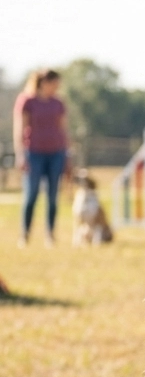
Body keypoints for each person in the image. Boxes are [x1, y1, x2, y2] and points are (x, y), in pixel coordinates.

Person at [13, 69, 69, 247]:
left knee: (53, 197)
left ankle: (50, 235)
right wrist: (20, 154)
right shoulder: (27, 101)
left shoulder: (58, 103)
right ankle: (25, 234)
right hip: (34, 152)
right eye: (54, 84)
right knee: (31, 195)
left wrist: (67, 154)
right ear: (44, 82)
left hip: (56, 153)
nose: (57, 87)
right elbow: (19, 129)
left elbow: (63, 129)